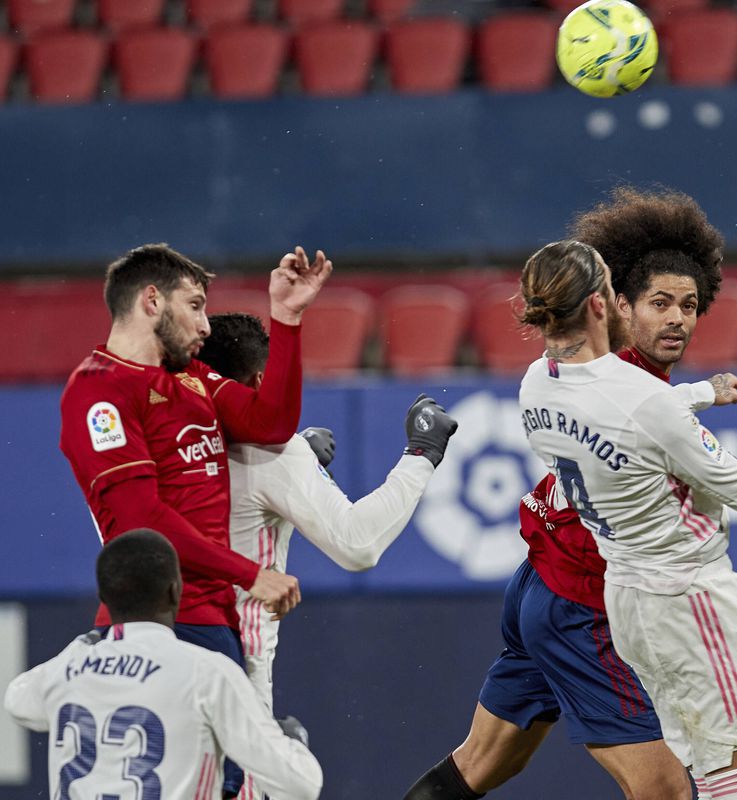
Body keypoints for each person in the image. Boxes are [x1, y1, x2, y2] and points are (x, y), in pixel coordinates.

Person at [403, 189, 737, 800]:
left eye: (689, 305)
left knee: (481, 765)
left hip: (541, 580)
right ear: (617, 304)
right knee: (667, 791)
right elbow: (655, 421)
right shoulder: (623, 383)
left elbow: (642, 404)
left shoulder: (590, 376)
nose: (676, 318)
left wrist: (700, 393)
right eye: (658, 303)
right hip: (583, 603)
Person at [515, 240, 737, 800]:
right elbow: (732, 481)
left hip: (628, 599)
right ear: (604, 304)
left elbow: (625, 411)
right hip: (688, 598)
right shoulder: (645, 402)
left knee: (696, 769)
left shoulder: (536, 383)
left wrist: (700, 393)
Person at [57, 243, 331, 797]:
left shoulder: (192, 378)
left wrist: (287, 318)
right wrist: (249, 573)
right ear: (151, 301)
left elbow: (271, 422)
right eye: (196, 306)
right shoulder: (98, 392)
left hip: (210, 617)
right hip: (156, 620)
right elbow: (141, 520)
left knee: (216, 785)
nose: (206, 325)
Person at [195, 312, 457, 748]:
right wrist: (422, 454)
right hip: (235, 660)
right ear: (260, 380)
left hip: (158, 650)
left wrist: (300, 457)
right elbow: (357, 545)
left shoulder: (168, 439)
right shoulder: (274, 453)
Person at [3, 529, 323, 800]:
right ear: (174, 591)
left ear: (104, 597)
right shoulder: (207, 673)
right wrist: (290, 744)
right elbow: (301, 785)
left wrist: (82, 646)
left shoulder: (68, 668)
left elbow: (16, 701)